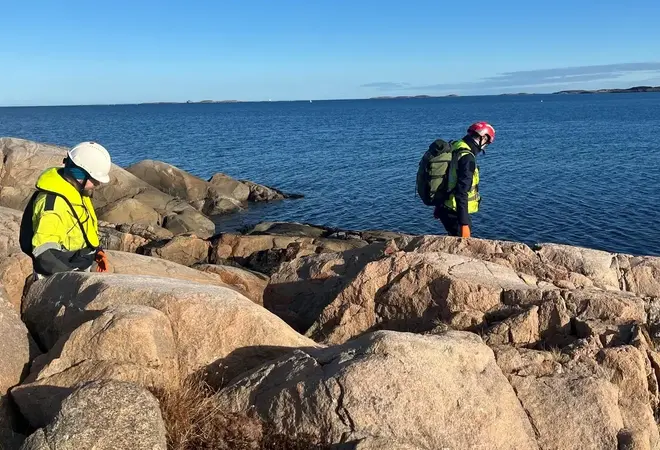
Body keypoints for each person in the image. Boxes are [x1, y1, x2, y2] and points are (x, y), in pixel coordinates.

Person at [21, 141, 112, 278]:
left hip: (77, 268)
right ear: (81, 174)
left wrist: (97, 251)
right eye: (94, 179)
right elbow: (44, 253)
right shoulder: (54, 204)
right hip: (57, 277)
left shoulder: (77, 193)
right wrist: (71, 277)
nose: (98, 184)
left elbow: (83, 227)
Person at [433, 122, 495, 238]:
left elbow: (446, 177)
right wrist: (464, 223)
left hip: (445, 207)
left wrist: (439, 205)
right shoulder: (467, 158)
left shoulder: (456, 146)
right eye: (487, 143)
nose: (485, 147)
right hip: (455, 211)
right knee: (462, 245)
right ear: (483, 138)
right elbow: (461, 192)